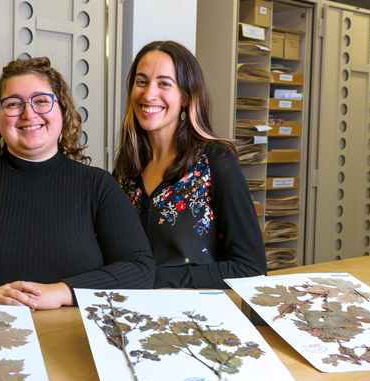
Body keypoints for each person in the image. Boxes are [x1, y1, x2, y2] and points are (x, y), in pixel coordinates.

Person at [0, 56, 155, 309]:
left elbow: (139, 268)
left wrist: (61, 292)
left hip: (72, 337)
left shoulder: (98, 186)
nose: (28, 113)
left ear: (63, 112)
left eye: (42, 101)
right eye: (14, 104)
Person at [114, 41, 266, 289]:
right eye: (141, 82)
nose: (149, 94)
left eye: (164, 83)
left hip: (195, 319)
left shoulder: (216, 161)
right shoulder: (124, 171)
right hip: (130, 315)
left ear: (186, 96)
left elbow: (251, 269)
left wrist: (157, 280)